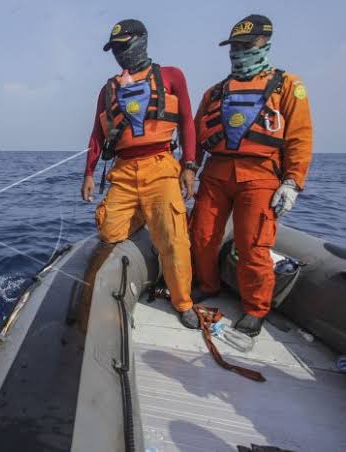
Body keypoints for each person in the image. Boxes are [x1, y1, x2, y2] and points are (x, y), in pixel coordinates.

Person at [190, 15, 312, 336]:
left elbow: (299, 137)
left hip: (261, 176)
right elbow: (196, 137)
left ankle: (256, 308)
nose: (238, 52)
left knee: (253, 245)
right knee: (201, 235)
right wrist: (187, 169)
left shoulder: (288, 85)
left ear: (264, 43)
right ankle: (207, 284)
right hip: (215, 173)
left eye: (246, 45)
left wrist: (292, 182)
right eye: (234, 47)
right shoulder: (215, 92)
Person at [81, 19, 200, 328]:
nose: (119, 54)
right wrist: (89, 173)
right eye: (114, 50)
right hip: (122, 170)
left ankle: (183, 302)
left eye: (123, 46)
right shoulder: (107, 89)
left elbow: (187, 122)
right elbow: (97, 135)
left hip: (161, 165)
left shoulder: (171, 76)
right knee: (108, 230)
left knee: (174, 239)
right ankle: (147, 222)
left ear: (141, 41)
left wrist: (189, 165)